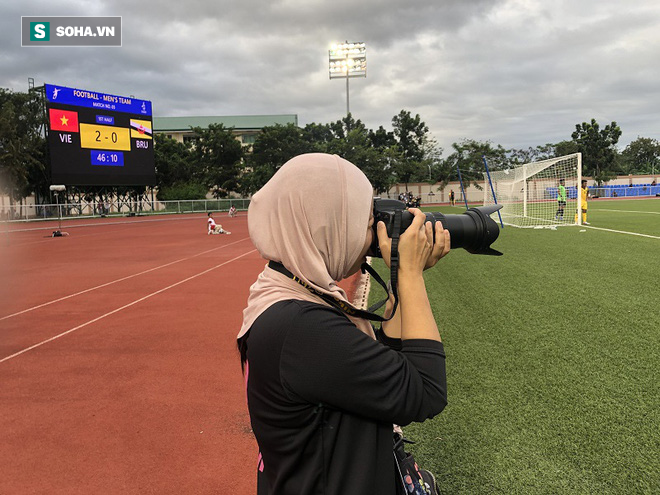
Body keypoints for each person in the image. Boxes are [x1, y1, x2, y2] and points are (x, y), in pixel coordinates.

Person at [237, 153, 450, 494]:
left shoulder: (287, 295)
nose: (370, 237)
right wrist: (411, 275)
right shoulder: (301, 328)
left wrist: (399, 280)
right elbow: (424, 391)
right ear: (325, 225)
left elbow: (389, 371)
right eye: (365, 223)